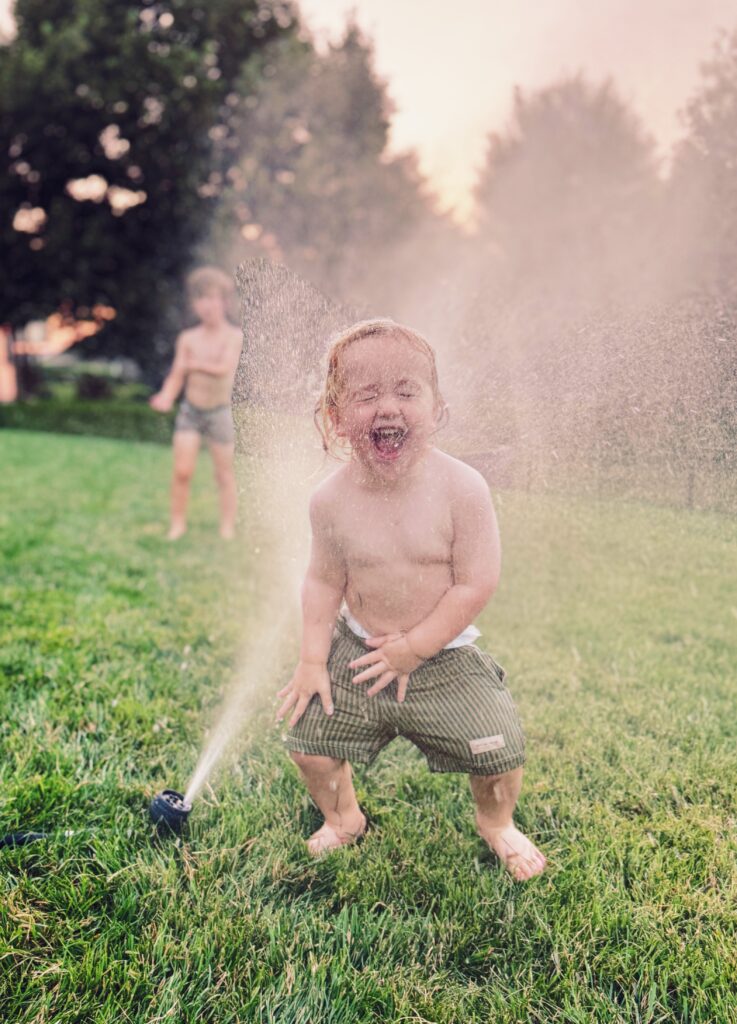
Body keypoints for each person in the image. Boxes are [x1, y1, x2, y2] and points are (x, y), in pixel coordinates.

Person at [276, 319, 546, 881]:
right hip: (361, 652)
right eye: (366, 395)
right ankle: (344, 818)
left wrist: (416, 648)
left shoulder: (462, 488)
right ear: (336, 417)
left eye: (405, 391)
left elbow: (476, 583)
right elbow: (324, 582)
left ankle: (497, 823)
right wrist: (310, 662)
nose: (388, 408)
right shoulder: (329, 501)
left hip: (444, 655)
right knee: (309, 742)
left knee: (499, 749)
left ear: (436, 407)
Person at [150, 267, 243, 540]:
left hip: (219, 413)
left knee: (224, 476)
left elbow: (224, 368)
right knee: (182, 472)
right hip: (191, 412)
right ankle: (177, 524)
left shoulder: (233, 336)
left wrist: (194, 364)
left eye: (214, 298)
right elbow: (177, 374)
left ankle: (227, 527)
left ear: (224, 302)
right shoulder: (188, 339)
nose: (208, 305)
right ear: (195, 304)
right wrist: (166, 396)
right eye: (202, 299)